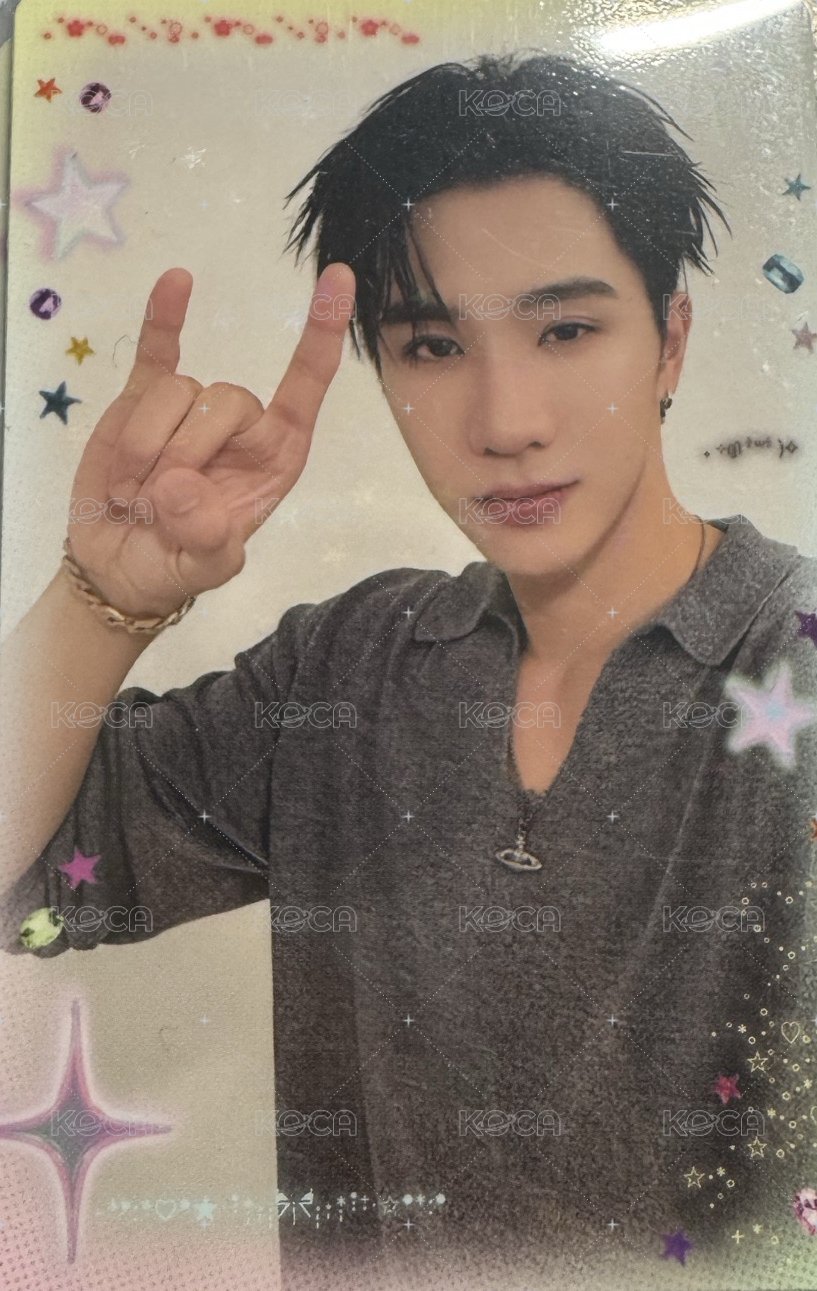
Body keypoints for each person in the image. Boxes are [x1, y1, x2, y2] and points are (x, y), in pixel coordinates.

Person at [2, 51, 816, 1291]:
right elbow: (24, 882)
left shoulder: (789, 666)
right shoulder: (345, 671)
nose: (504, 420)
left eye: (565, 329)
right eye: (432, 346)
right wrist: (100, 595)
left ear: (669, 341)